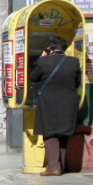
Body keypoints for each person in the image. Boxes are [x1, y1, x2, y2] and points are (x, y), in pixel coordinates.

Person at [29, 36, 82, 176]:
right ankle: (61, 165)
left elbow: (33, 77)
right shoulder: (74, 62)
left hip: (49, 103)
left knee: (50, 133)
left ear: (50, 48)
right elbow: (77, 83)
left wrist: (40, 58)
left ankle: (53, 167)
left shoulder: (43, 62)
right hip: (69, 103)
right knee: (64, 133)